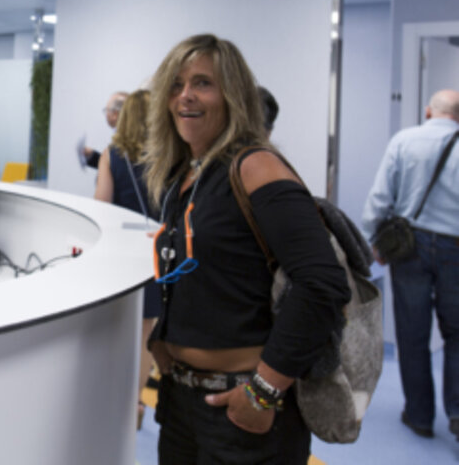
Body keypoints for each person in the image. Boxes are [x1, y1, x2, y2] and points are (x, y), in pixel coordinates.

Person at [144, 34, 349, 464]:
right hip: (182, 402)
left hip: (243, 409)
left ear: (232, 95)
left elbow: (322, 284)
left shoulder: (255, 167)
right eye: (176, 85)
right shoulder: (185, 176)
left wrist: (264, 391)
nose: (185, 96)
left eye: (202, 83)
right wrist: (164, 338)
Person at [362, 88, 459, 441]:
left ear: (429, 112)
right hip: (456, 248)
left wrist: (374, 238)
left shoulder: (404, 141)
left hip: (409, 248)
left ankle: (419, 416)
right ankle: (458, 413)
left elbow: (380, 196)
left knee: (412, 333)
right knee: (457, 334)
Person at [93, 88, 161, 429]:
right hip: (155, 253)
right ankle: (136, 401)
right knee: (146, 332)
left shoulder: (112, 155)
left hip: (119, 255)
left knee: (115, 327)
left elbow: (101, 205)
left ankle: (110, 397)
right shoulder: (167, 157)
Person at [82, 91, 128, 169]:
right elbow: (116, 166)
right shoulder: (123, 135)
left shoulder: (125, 139)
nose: (106, 114)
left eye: (107, 110)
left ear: (115, 114)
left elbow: (120, 170)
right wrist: (92, 155)